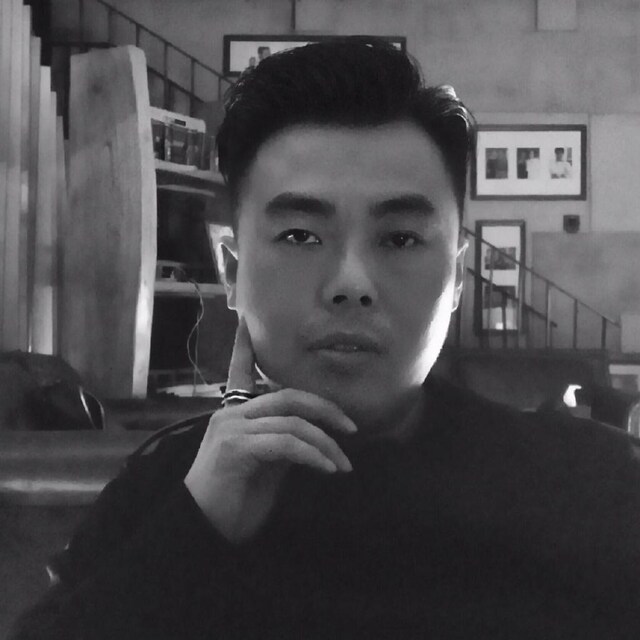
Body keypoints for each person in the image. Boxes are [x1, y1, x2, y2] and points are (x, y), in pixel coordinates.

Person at [11, 39, 640, 639]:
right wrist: (193, 529)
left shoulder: (587, 484)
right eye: (300, 236)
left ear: (456, 277)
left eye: (400, 239)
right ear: (231, 272)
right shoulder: (170, 489)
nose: (351, 284)